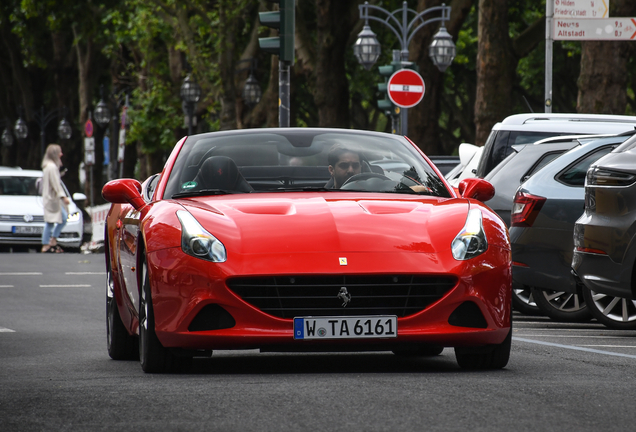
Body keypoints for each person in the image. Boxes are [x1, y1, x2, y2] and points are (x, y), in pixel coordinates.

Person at [40, 144, 69, 253]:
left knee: (52, 221)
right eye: (59, 152)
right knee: (59, 219)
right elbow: (56, 184)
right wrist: (63, 196)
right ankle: (50, 242)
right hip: (53, 199)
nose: (61, 154)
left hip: (50, 198)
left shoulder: (48, 166)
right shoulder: (52, 167)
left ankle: (48, 242)